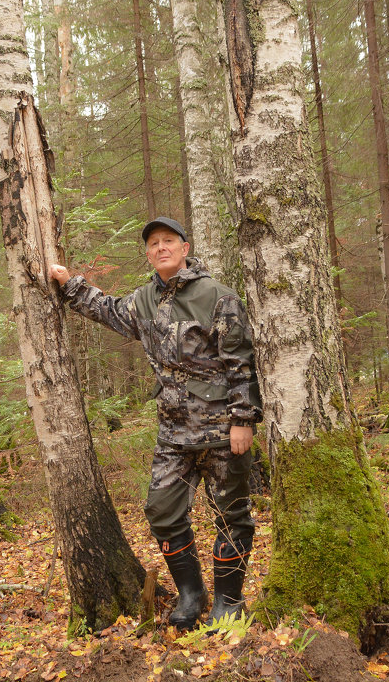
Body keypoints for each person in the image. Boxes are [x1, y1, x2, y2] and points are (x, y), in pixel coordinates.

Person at [48, 217, 261, 630]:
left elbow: (241, 361)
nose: (160, 248)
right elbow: (107, 310)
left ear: (185, 248)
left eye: (168, 241)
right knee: (162, 512)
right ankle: (191, 594)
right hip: (174, 435)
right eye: (153, 243)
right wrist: (69, 283)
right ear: (148, 253)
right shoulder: (145, 300)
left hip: (222, 431)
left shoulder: (218, 296)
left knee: (232, 514)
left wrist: (243, 420)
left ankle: (229, 603)